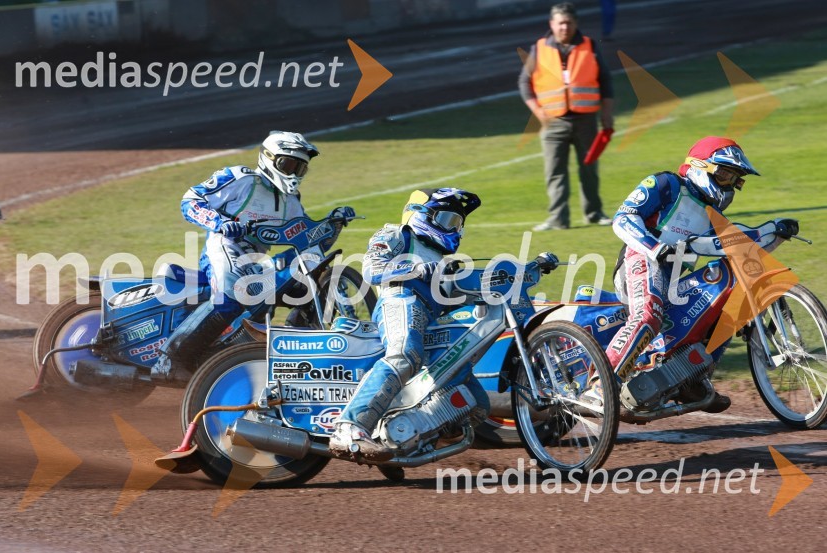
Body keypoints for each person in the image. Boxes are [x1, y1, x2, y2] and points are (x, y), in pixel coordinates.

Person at [606, 136, 799, 414]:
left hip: (673, 282)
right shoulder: (665, 184)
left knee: (728, 298)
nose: (728, 183)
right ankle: (603, 380)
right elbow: (623, 218)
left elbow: (730, 243)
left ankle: (689, 380)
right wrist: (654, 247)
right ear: (698, 166)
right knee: (650, 312)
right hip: (638, 261)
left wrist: (774, 231)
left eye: (734, 178)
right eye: (723, 174)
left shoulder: (711, 213)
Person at [151, 131, 350, 384]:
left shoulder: (291, 200)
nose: (293, 174)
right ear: (268, 158)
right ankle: (170, 359)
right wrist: (220, 222)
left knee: (301, 280)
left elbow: (307, 239)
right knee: (233, 294)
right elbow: (190, 200)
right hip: (226, 246)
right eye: (287, 165)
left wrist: (334, 224)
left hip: (255, 259)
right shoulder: (242, 179)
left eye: (300, 168)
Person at [329, 187, 489, 461]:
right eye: (449, 220)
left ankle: (403, 438)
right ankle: (350, 428)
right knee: (404, 356)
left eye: (458, 223)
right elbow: (372, 270)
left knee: (476, 402)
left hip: (433, 317)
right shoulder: (396, 234)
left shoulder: (440, 259)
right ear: (423, 215)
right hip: (400, 298)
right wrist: (414, 269)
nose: (456, 229)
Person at [519, 2, 615, 231]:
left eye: (569, 22)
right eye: (560, 22)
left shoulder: (589, 46)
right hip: (552, 122)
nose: (565, 27)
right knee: (554, 172)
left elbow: (606, 81)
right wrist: (538, 112)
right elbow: (525, 82)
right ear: (552, 24)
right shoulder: (539, 48)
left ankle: (594, 214)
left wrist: (607, 114)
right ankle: (557, 219)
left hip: (585, 120)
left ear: (576, 23)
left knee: (589, 169)